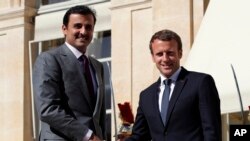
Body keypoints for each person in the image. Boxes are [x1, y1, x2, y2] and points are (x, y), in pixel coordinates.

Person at [121, 29, 221, 141]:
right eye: (159, 54)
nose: (165, 59)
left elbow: (212, 132)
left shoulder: (201, 83)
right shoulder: (146, 96)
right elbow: (139, 136)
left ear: (180, 53)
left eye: (170, 53)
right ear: (153, 57)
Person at [32, 5, 106, 141]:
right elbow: (48, 110)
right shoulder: (49, 59)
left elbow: (98, 116)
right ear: (64, 29)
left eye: (88, 27)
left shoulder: (97, 66)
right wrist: (89, 137)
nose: (83, 31)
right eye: (77, 26)